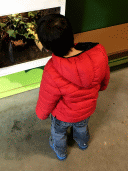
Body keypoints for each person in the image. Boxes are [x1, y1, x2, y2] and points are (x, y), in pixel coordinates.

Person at [35, 14, 110, 161]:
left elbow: (47, 98)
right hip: (86, 110)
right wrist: (101, 87)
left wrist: (41, 114)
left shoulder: (52, 70)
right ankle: (82, 142)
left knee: (58, 133)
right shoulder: (99, 54)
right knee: (82, 127)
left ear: (47, 47)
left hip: (63, 116)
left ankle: (61, 152)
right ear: (72, 35)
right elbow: (104, 79)